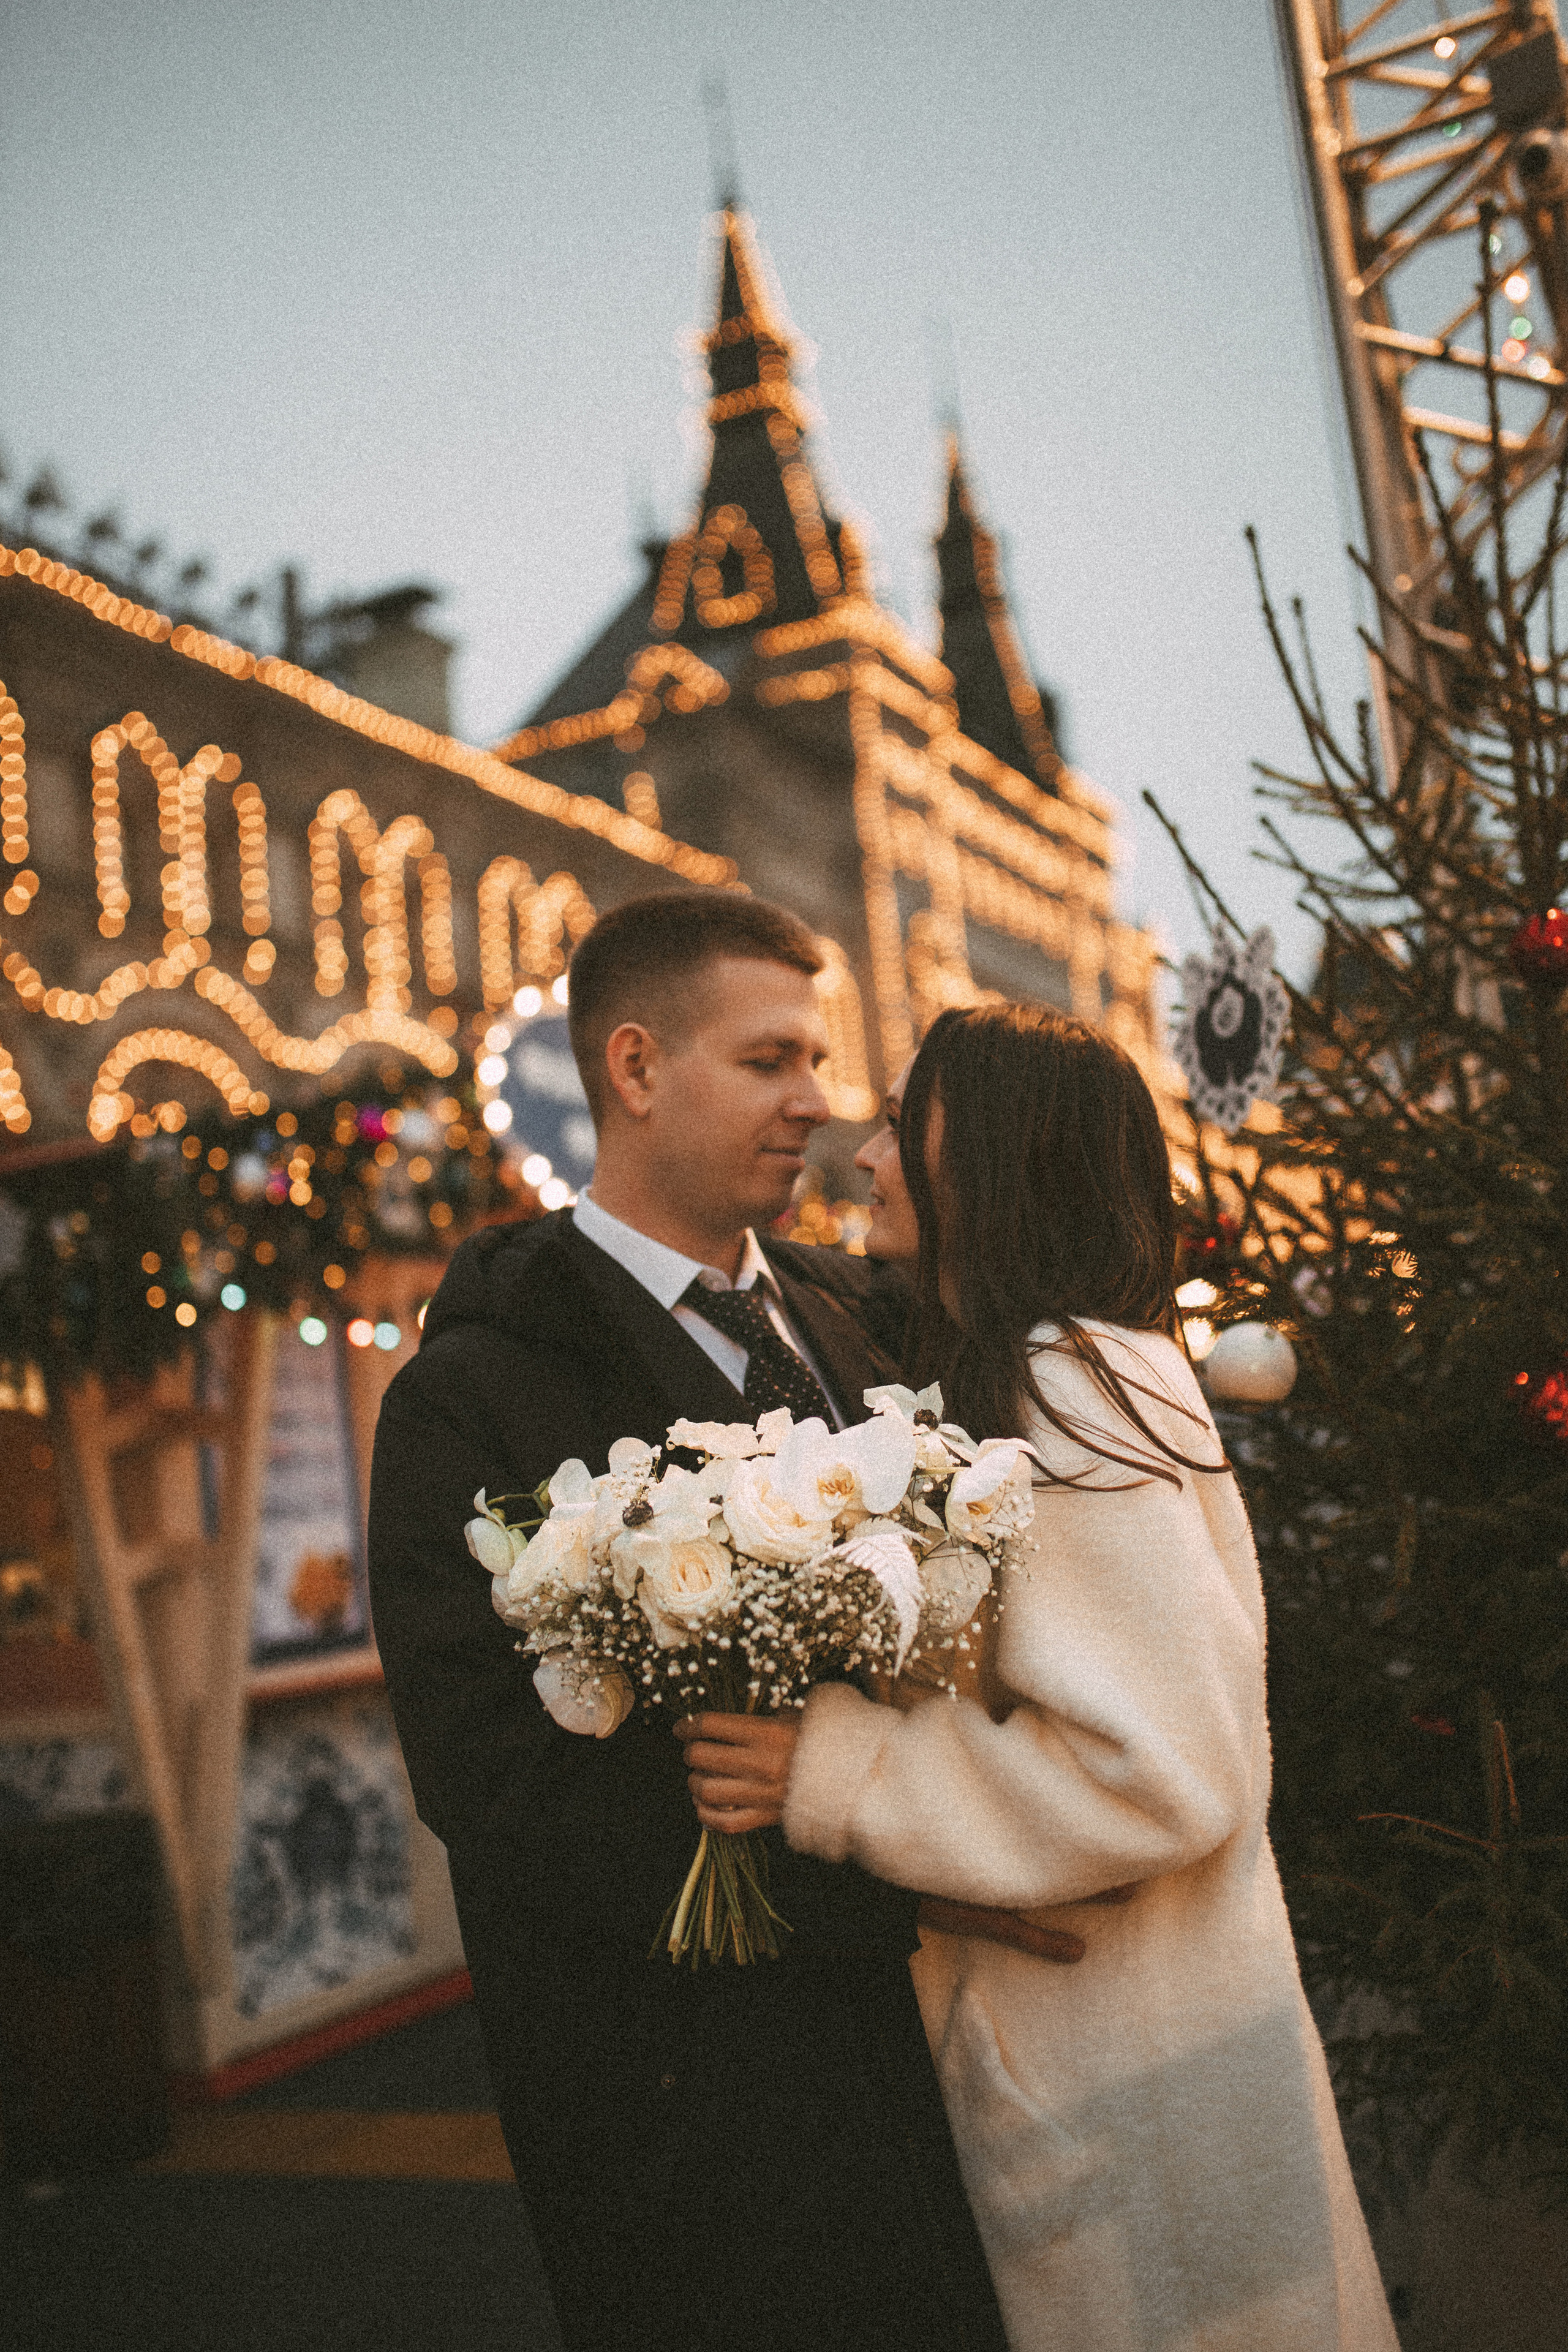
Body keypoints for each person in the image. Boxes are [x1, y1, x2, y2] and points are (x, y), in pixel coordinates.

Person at [688, 1003, 1399, 2351]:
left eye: (900, 1123)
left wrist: (833, 1769)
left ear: (988, 1154)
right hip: (1140, 2059)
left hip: (1127, 2080)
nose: (862, 1156)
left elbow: (1159, 1773)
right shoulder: (1079, 1364)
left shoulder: (1066, 1383)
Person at [367, 894, 1008, 2352]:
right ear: (637, 1067)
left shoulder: (865, 1325)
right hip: (686, 2111)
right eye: (769, 1059)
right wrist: (892, 1891)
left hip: (947, 2065)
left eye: (816, 1060)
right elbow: (494, 1779)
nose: (817, 1102)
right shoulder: (475, 1391)